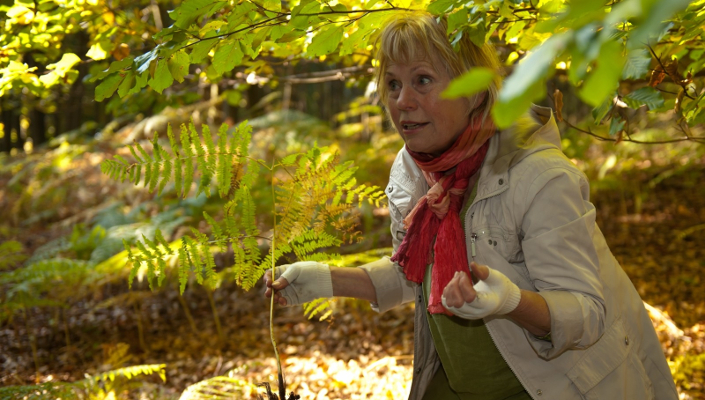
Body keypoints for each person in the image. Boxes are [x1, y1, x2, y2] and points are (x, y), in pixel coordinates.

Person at [264, 11, 678, 400]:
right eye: (392, 84)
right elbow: (416, 271)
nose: (402, 100)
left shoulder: (539, 177)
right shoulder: (412, 170)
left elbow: (586, 314)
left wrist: (510, 301)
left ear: (475, 90)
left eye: (422, 80)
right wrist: (324, 280)